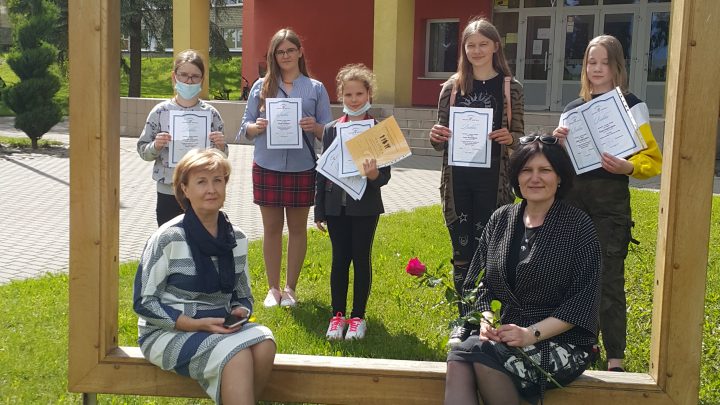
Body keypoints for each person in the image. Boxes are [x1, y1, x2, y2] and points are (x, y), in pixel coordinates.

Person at [444, 135, 602, 405]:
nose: (535, 178)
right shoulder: (501, 219)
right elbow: (478, 284)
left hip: (560, 340)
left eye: (545, 170)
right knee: (461, 354)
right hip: (505, 333)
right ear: (516, 178)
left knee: (477, 355)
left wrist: (530, 334)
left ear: (559, 177)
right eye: (527, 170)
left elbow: (582, 301)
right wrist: (486, 320)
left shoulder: (578, 226)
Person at [553, 35, 662, 372]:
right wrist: (557, 145)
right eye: (591, 62)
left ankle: (615, 357)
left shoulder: (632, 105)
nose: (597, 69)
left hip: (610, 204)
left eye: (604, 62)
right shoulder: (572, 109)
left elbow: (652, 160)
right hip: (572, 202)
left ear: (617, 67)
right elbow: (559, 165)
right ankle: (582, 345)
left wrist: (628, 167)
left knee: (608, 279)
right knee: (573, 276)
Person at [133, 149, 276, 405]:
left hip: (220, 326)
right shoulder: (168, 237)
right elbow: (144, 302)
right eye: (201, 182)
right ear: (184, 189)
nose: (211, 189)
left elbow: (243, 296)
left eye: (217, 180)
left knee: (265, 344)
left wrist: (240, 311)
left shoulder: (237, 238)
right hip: (166, 331)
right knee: (237, 355)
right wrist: (194, 324)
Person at [428, 17, 525, 346]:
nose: (477, 50)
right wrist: (436, 136)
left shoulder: (511, 88)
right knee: (462, 253)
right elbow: (439, 139)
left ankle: (493, 319)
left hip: (494, 185)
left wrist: (510, 138)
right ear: (464, 49)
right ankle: (465, 320)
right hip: (458, 185)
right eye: (471, 45)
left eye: (483, 44)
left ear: (496, 46)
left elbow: (520, 138)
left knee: (494, 254)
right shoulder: (451, 88)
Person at [239, 28, 332, 308]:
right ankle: (273, 288)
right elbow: (244, 128)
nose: (286, 56)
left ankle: (290, 288)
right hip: (267, 164)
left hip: (302, 167)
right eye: (280, 52)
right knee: (271, 229)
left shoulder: (315, 88)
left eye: (291, 50)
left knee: (298, 229)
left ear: (300, 52)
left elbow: (328, 132)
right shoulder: (261, 86)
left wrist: (314, 126)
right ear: (273, 56)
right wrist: (257, 126)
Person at [314, 64, 391, 340]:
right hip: (336, 207)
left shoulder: (378, 130)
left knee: (360, 259)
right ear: (341, 96)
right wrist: (319, 210)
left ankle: (358, 317)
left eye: (359, 94)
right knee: (339, 260)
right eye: (348, 94)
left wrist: (373, 174)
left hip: (365, 208)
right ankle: (337, 316)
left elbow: (385, 176)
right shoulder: (331, 130)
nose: (354, 99)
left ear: (369, 94)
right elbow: (322, 173)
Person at [137, 49, 228, 226]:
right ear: (174, 77)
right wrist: (156, 146)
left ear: (202, 79)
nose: (189, 81)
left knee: (201, 238)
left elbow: (223, 157)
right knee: (170, 238)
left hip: (202, 191)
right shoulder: (160, 112)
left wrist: (220, 147)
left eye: (195, 76)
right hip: (168, 190)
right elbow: (143, 151)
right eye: (184, 75)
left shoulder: (211, 114)